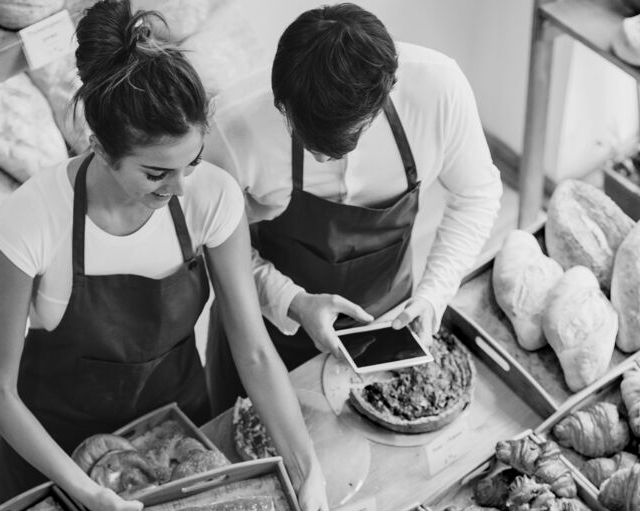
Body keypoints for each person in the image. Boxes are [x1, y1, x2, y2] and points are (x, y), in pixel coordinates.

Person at [0, 0, 329, 511]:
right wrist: (85, 491)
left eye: (190, 163)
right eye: (156, 172)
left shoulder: (211, 197)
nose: (181, 188)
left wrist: (307, 468)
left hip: (176, 441)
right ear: (98, 146)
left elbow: (254, 352)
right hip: (54, 459)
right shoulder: (30, 221)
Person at [204, 2, 502, 413]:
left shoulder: (439, 89)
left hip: (387, 322)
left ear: (384, 96)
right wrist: (293, 301)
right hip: (266, 331)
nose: (323, 161)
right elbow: (219, 253)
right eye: (306, 140)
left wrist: (435, 293)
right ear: (281, 104)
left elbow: (477, 196)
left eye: (346, 138)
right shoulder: (233, 129)